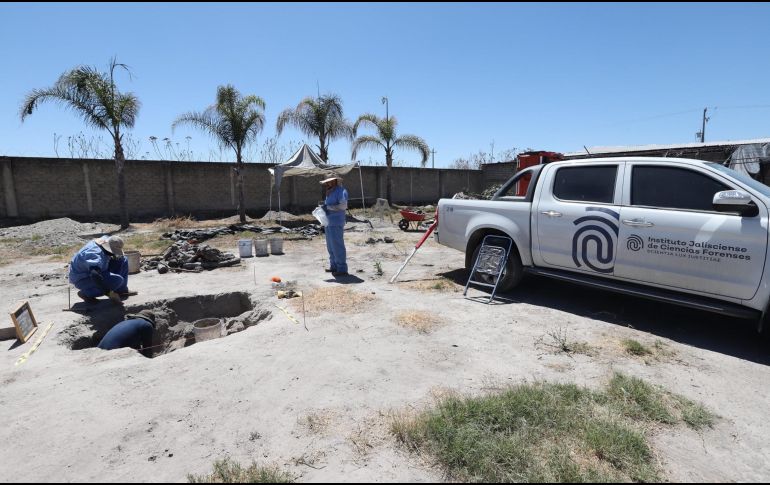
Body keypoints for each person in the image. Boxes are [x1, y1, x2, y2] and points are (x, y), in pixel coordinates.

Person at [69, 235, 135, 303]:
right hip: (84, 278)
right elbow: (95, 275)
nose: (113, 254)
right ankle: (86, 293)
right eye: (112, 252)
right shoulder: (93, 254)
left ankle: (121, 290)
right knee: (117, 280)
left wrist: (114, 255)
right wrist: (109, 293)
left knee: (122, 259)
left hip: (99, 269)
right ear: (107, 248)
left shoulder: (107, 240)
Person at [320, 176, 349, 277]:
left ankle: (342, 268)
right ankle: (334, 266)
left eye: (330, 181)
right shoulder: (330, 192)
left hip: (336, 222)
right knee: (330, 246)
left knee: (337, 245)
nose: (327, 184)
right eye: (327, 182)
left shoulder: (341, 191)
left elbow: (343, 206)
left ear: (335, 181)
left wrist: (328, 207)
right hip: (329, 222)